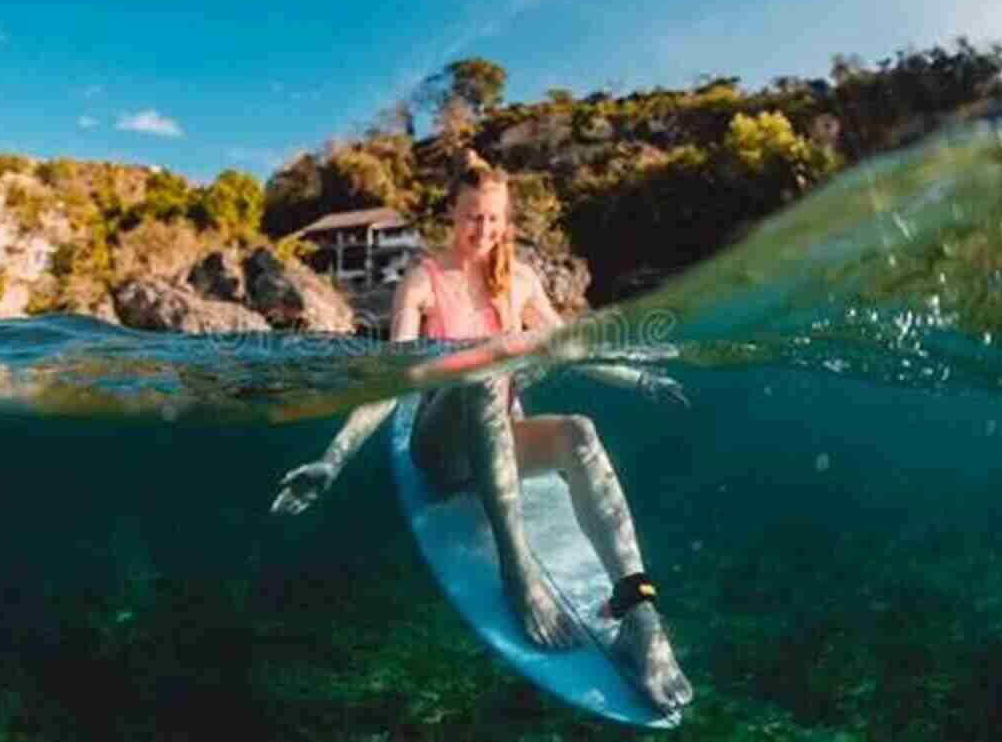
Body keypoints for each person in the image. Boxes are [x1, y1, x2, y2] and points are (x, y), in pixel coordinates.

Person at [270, 154, 693, 715]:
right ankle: (518, 573)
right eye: (473, 218)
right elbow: (391, 383)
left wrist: (637, 378)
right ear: (452, 213)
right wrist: (334, 456)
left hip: (500, 437)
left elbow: (571, 348)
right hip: (440, 452)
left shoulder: (520, 281)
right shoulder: (422, 282)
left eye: (494, 220)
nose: (484, 231)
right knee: (487, 372)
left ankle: (639, 614)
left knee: (580, 433)